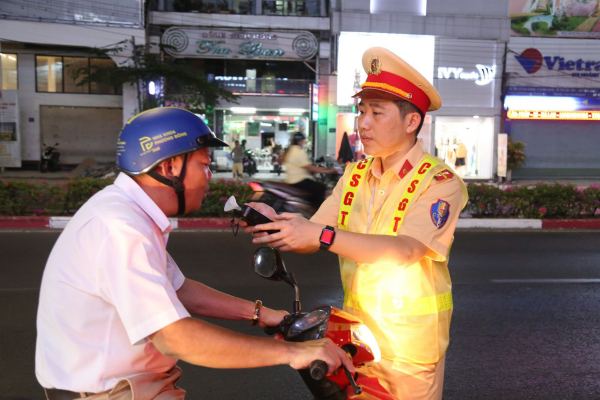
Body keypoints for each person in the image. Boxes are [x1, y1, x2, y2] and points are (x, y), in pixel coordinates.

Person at [35, 107, 354, 400]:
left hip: (133, 385)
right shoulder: (120, 229)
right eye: (203, 165)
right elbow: (175, 338)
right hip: (112, 394)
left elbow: (178, 289)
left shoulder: (126, 213)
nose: (209, 177)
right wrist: (294, 354)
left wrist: (264, 315)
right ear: (170, 166)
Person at [242, 48, 468, 399]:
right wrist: (279, 225)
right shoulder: (356, 174)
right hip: (357, 337)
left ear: (411, 122)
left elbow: (406, 251)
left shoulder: (440, 183)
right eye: (362, 111)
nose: (363, 123)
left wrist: (320, 233)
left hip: (409, 348)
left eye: (377, 113)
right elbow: (313, 234)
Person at [283, 132, 338, 207]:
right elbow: (310, 168)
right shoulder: (298, 152)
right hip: (298, 180)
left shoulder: (292, 150)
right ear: (299, 141)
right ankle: (316, 212)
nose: (303, 142)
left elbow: (307, 167)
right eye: (302, 140)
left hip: (295, 179)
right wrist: (328, 170)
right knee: (321, 188)